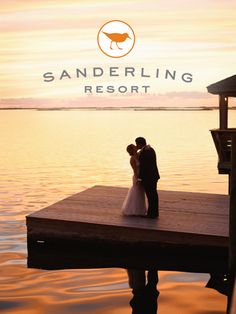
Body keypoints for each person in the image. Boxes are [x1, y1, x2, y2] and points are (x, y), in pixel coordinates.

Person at [135, 137, 160, 218]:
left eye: (137, 144)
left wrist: (140, 178)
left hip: (148, 178)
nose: (136, 146)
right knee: (153, 195)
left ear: (140, 144)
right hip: (153, 176)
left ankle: (152, 214)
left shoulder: (145, 152)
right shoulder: (150, 149)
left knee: (151, 195)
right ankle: (153, 213)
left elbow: (144, 167)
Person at [122, 144, 147, 216]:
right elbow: (135, 171)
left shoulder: (137, 156)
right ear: (132, 150)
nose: (136, 147)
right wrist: (138, 179)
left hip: (140, 177)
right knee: (136, 193)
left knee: (141, 193)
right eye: (134, 147)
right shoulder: (132, 159)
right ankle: (134, 210)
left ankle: (140, 210)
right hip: (137, 177)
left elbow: (142, 150)